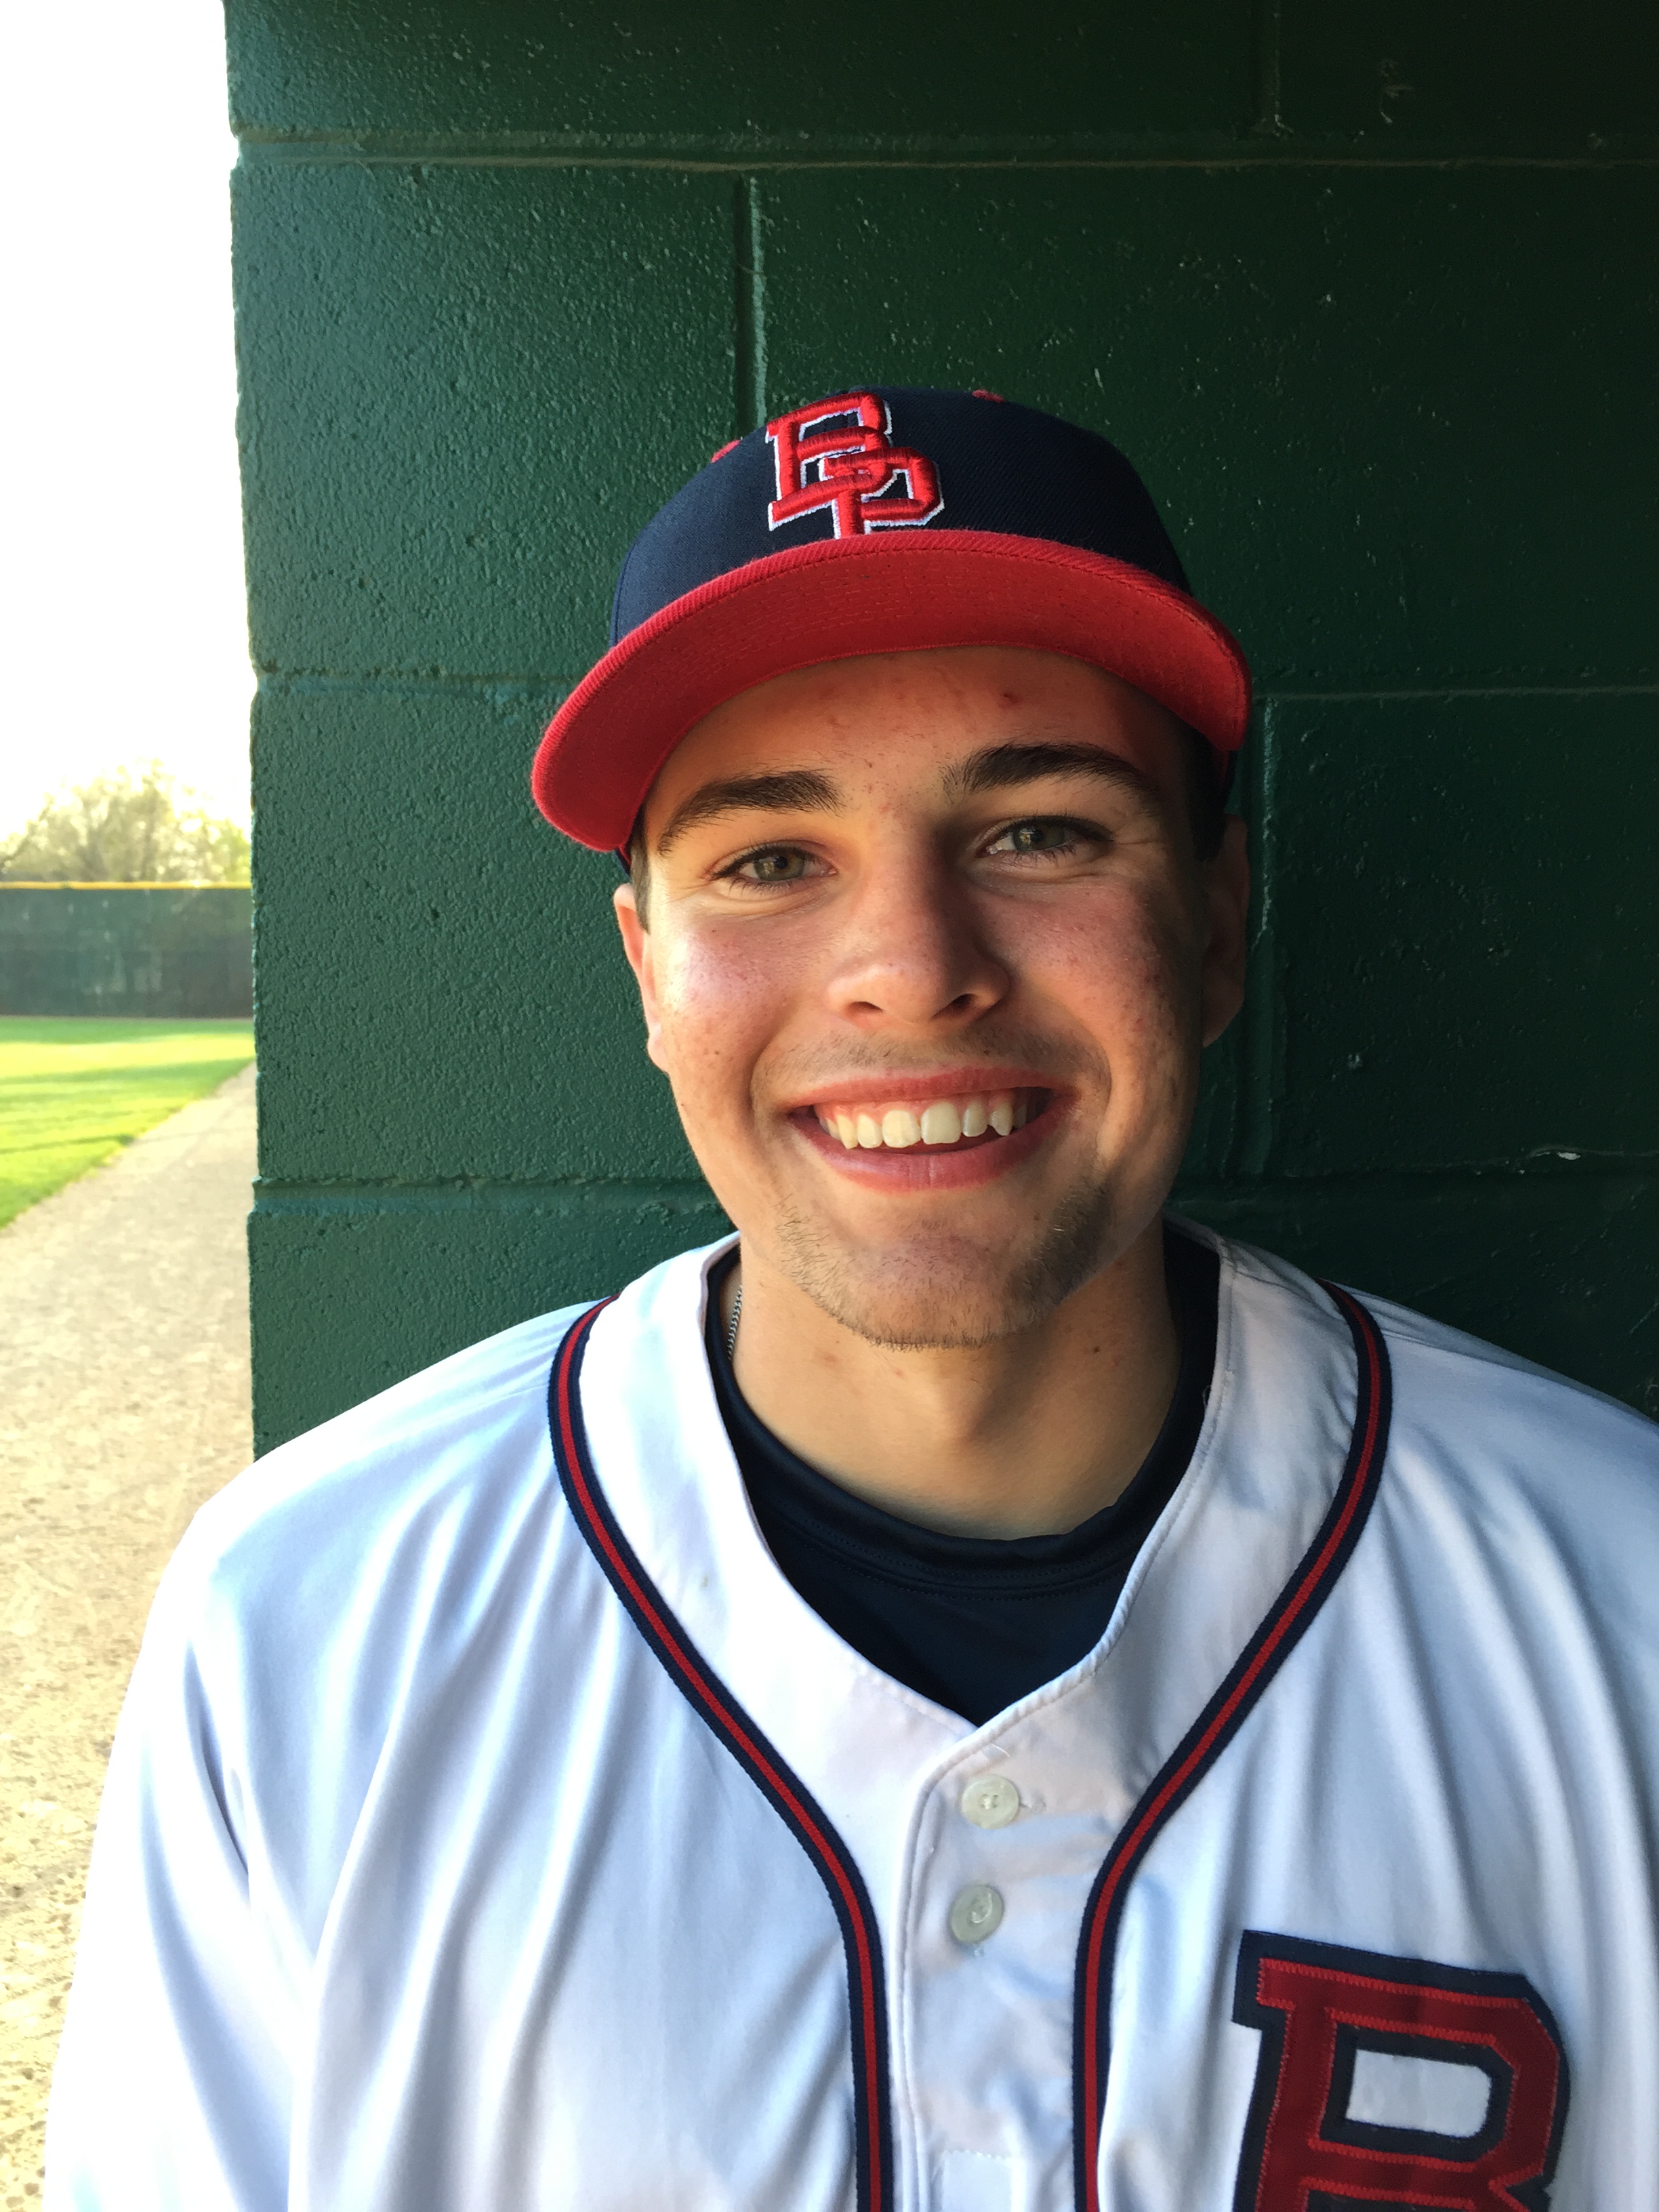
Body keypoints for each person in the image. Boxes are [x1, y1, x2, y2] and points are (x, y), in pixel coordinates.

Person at [48, 389, 1659, 2211]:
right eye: (770, 859)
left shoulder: (1622, 1593)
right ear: (650, 965)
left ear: (1215, 923)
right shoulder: (305, 1626)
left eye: (1042, 831)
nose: (913, 972)